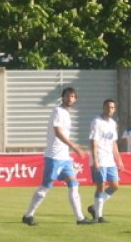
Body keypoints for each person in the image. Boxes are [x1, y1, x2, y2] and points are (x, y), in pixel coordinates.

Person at [22, 87, 89, 226]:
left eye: (72, 97)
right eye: (67, 96)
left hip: (64, 158)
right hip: (53, 156)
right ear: (62, 97)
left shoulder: (67, 113)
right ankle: (28, 215)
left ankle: (80, 218)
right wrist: (75, 147)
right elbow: (58, 132)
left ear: (75, 99)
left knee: (74, 184)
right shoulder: (57, 111)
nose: (69, 99)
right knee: (45, 187)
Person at [88, 99, 124, 223]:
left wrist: (118, 159)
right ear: (103, 107)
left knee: (114, 186)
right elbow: (94, 142)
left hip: (109, 160)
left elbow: (113, 142)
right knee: (101, 186)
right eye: (108, 107)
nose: (110, 109)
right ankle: (99, 216)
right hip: (100, 158)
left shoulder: (113, 124)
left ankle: (94, 208)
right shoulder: (97, 122)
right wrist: (95, 160)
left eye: (112, 107)